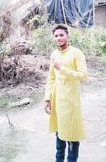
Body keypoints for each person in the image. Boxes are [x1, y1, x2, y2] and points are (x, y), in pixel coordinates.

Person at [44, 24, 88, 162]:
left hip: (71, 102)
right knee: (59, 135)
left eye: (61, 35)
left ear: (68, 36)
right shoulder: (54, 54)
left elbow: (83, 76)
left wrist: (62, 69)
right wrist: (47, 98)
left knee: (73, 138)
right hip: (58, 101)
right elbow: (51, 78)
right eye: (56, 36)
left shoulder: (76, 53)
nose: (59, 38)